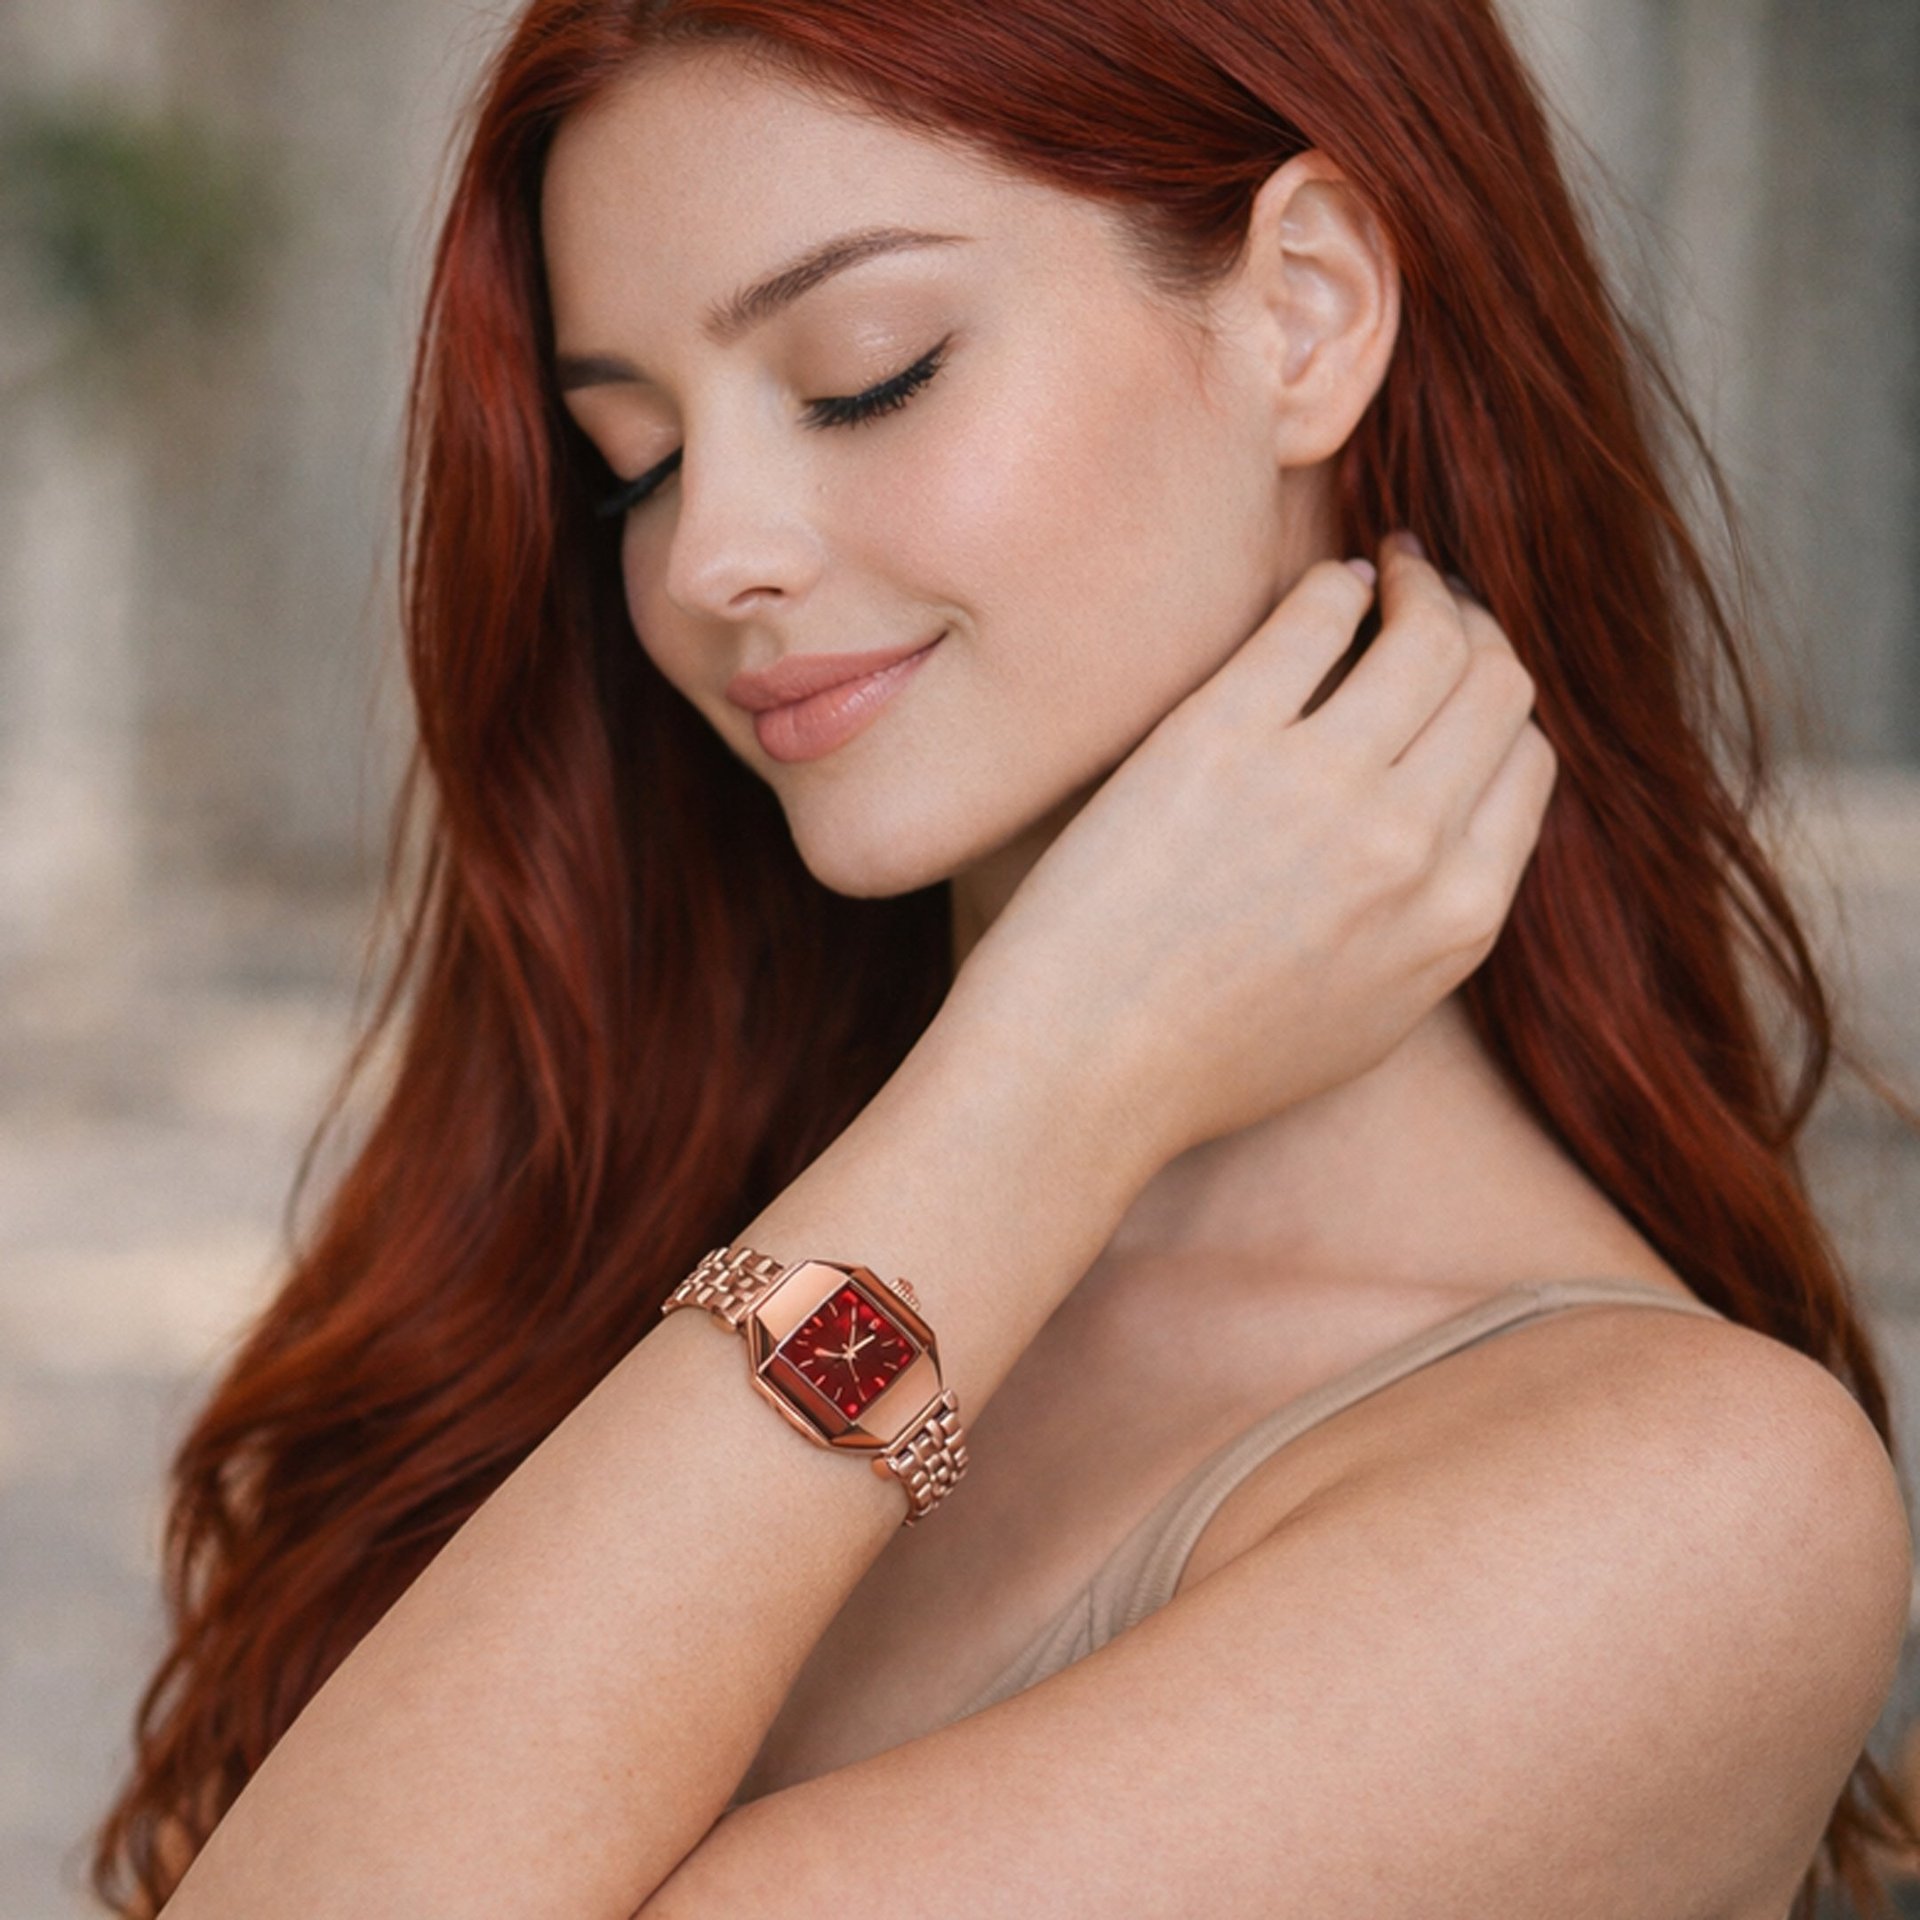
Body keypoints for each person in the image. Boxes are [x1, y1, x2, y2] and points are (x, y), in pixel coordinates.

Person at [92, 2, 1919, 1916]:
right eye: (633, 459)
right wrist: (1034, 1101)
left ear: (1306, 309)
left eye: (866, 376)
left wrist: (1046, 1089)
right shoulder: (654, 1211)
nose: (709, 556)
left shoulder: (1684, 1516)